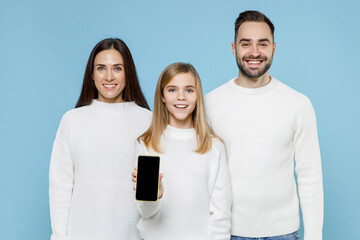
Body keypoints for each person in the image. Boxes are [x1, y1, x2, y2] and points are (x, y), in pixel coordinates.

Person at [205, 10, 323, 240]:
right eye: (246, 43)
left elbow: (310, 176)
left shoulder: (298, 104)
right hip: (227, 232)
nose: (255, 52)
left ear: (274, 49)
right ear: (234, 48)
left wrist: (314, 236)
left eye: (263, 44)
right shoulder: (210, 104)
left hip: (284, 233)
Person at [49, 38, 152, 240]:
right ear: (92, 74)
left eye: (117, 68)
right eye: (101, 68)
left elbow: (150, 194)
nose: (109, 77)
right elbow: (60, 187)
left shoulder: (147, 121)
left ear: (128, 73)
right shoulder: (72, 120)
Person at [131, 62, 232, 239]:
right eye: (172, 90)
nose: (181, 97)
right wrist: (156, 194)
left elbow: (221, 213)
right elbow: (145, 212)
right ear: (162, 96)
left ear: (197, 95)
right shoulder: (146, 144)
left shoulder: (214, 147)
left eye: (189, 90)